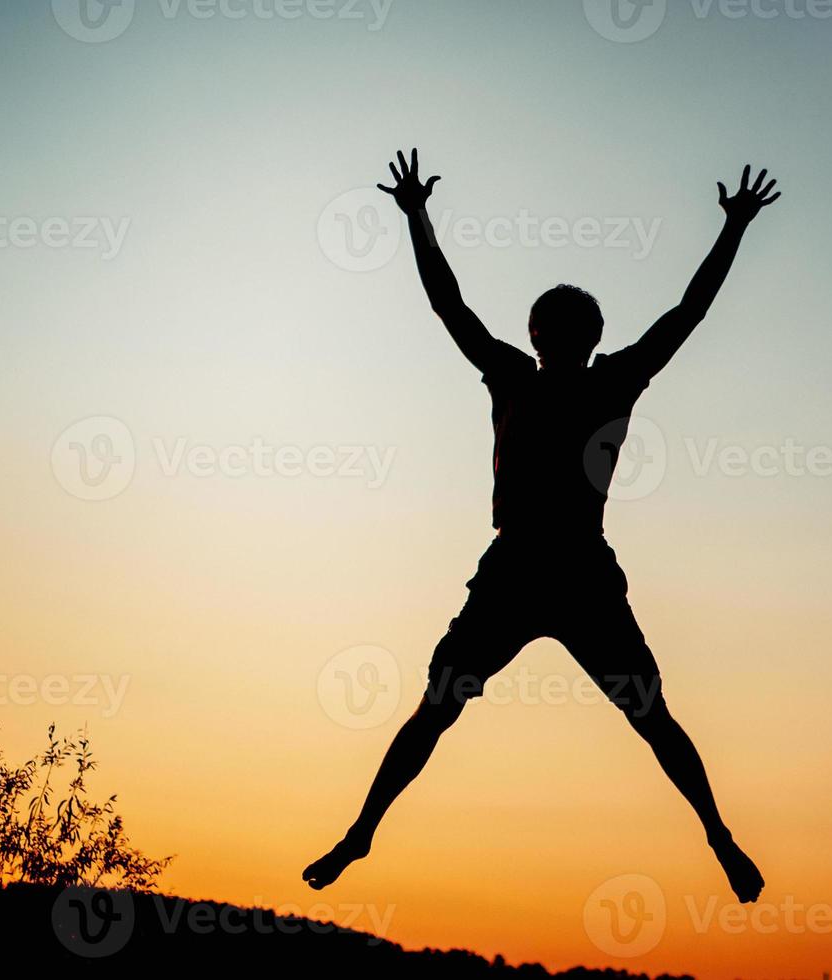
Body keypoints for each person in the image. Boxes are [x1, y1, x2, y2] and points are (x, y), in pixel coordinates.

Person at [304, 150, 781, 903]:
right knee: (463, 709)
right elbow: (455, 307)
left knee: (619, 716)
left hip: (560, 573)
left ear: (565, 336)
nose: (558, 338)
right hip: (530, 573)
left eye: (564, 329)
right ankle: (362, 831)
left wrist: (417, 217)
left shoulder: (563, 378)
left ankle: (719, 835)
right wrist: (416, 217)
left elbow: (454, 306)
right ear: (550, 335)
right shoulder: (541, 377)